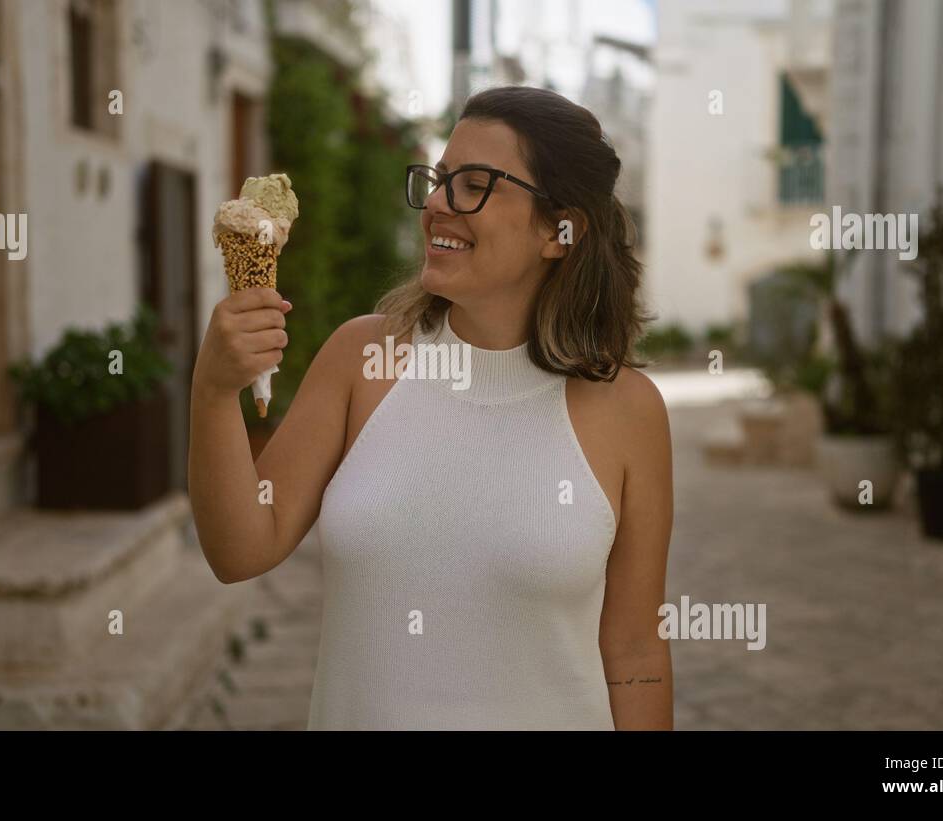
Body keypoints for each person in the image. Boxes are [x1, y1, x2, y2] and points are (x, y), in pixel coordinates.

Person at [188, 85, 673, 730]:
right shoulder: (361, 358)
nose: (439, 204)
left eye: (475, 184)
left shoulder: (628, 410)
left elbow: (636, 648)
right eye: (440, 179)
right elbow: (241, 549)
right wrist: (215, 390)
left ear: (561, 231)